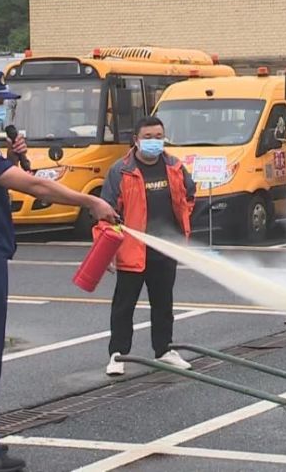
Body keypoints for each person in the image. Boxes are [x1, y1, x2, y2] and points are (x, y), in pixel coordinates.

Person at [0, 70, 117, 471]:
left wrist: (15, 154)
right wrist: (90, 203)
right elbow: (33, 187)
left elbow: (8, 176)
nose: (2, 108)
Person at [100, 115, 195, 376]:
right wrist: (105, 250)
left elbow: (189, 196)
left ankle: (164, 350)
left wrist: (181, 231)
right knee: (124, 305)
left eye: (158, 137)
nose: (154, 142)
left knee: (164, 304)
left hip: (165, 250)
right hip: (132, 251)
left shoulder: (174, 167)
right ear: (136, 140)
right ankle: (118, 354)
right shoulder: (120, 170)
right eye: (148, 137)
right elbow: (106, 213)